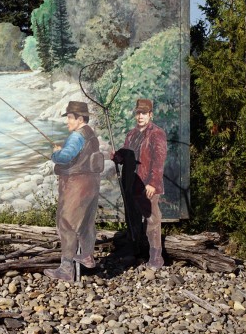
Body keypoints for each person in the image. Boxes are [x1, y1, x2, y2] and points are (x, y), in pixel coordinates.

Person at [45, 101, 104, 282]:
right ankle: (87, 256)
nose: (67, 122)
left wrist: (56, 153)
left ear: (79, 118)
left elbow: (65, 157)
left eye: (70, 117)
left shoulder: (77, 136)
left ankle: (66, 269)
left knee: (67, 224)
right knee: (86, 223)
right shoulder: (90, 134)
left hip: (76, 185)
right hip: (92, 184)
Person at [113, 98, 168, 269]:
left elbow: (159, 161)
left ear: (150, 115)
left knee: (152, 220)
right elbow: (126, 157)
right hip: (131, 184)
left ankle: (156, 257)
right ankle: (134, 253)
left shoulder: (157, 134)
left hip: (147, 185)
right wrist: (118, 157)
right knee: (132, 220)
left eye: (144, 113)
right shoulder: (131, 134)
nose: (140, 116)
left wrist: (153, 183)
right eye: (138, 113)